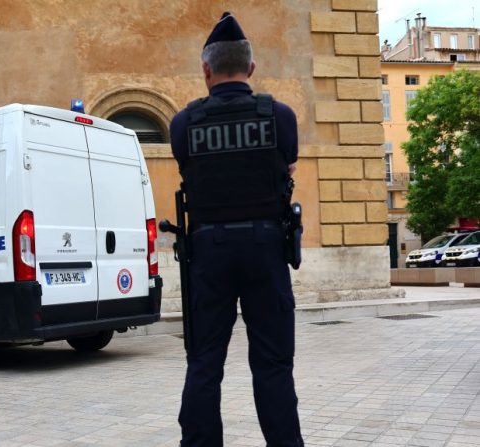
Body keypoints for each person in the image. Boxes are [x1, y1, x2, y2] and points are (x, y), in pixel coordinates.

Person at [170, 12, 304, 447]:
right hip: (266, 249)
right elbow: (287, 168)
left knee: (205, 363)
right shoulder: (279, 116)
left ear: (206, 70)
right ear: (250, 68)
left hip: (208, 252)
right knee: (273, 365)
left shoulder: (183, 124)